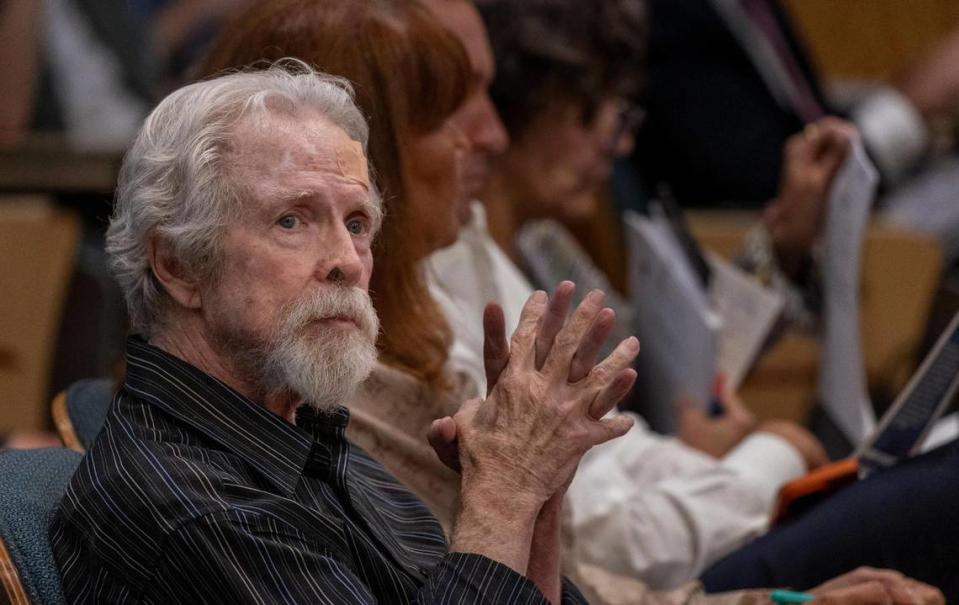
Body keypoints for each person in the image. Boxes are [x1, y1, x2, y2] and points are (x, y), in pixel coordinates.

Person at [49, 60, 654, 603]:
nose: (346, 259)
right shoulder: (187, 504)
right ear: (179, 265)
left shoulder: (317, 446)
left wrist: (537, 488)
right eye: (292, 220)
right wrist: (505, 490)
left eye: (358, 223)